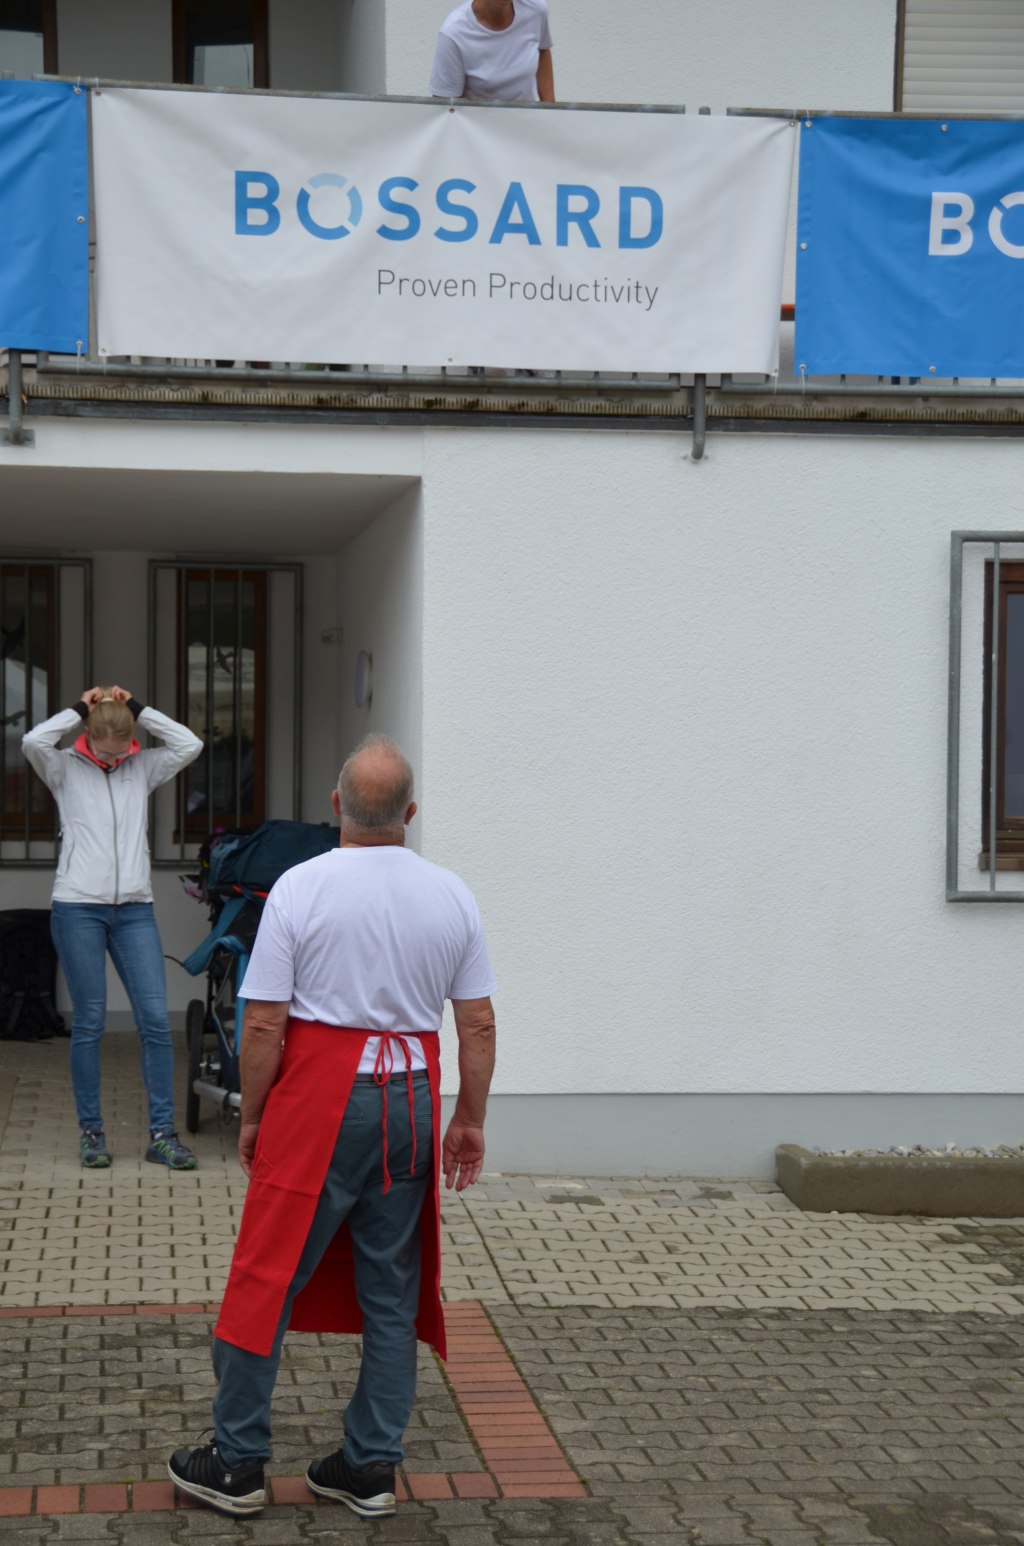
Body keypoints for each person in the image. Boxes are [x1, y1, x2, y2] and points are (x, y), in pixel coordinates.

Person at [168, 734, 497, 1519]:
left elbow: (262, 1023)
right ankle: (370, 1464)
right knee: (393, 1286)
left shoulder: (300, 887)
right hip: (410, 1095)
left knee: (267, 1272)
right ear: (410, 814)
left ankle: (237, 1461)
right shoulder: (451, 893)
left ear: (337, 805)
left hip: (321, 1097)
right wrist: (469, 1118)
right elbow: (477, 1024)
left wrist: (254, 1113)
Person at [22, 686, 203, 1170]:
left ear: (130, 741)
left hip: (135, 911)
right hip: (78, 907)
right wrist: (80, 707)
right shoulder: (61, 767)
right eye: (104, 752)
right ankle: (91, 1134)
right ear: (87, 735)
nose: (112, 760)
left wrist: (138, 708)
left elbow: (189, 744)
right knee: (90, 1023)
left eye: (120, 751)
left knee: (155, 1023)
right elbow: (33, 741)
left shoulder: (141, 767)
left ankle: (162, 1136)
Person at [430, 0, 555, 103]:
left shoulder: (536, 10)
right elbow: (445, 107)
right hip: (478, 124)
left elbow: (542, 51)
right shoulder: (453, 33)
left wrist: (550, 112)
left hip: (528, 120)